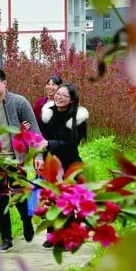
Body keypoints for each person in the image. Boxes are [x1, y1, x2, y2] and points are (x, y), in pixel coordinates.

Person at [0, 68, 44, 252]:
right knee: (0, 199)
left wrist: (38, 155)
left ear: (4, 83)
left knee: (18, 195)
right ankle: (6, 238)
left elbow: (35, 132)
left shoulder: (19, 103)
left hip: (16, 160)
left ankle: (26, 220)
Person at [40, 83, 89, 248]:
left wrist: (50, 143)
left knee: (66, 201)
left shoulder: (78, 118)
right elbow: (41, 139)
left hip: (69, 163)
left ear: (72, 100)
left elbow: (71, 143)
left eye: (64, 95)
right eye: (58, 94)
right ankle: (52, 235)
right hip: (51, 162)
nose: (59, 97)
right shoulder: (48, 114)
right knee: (50, 199)